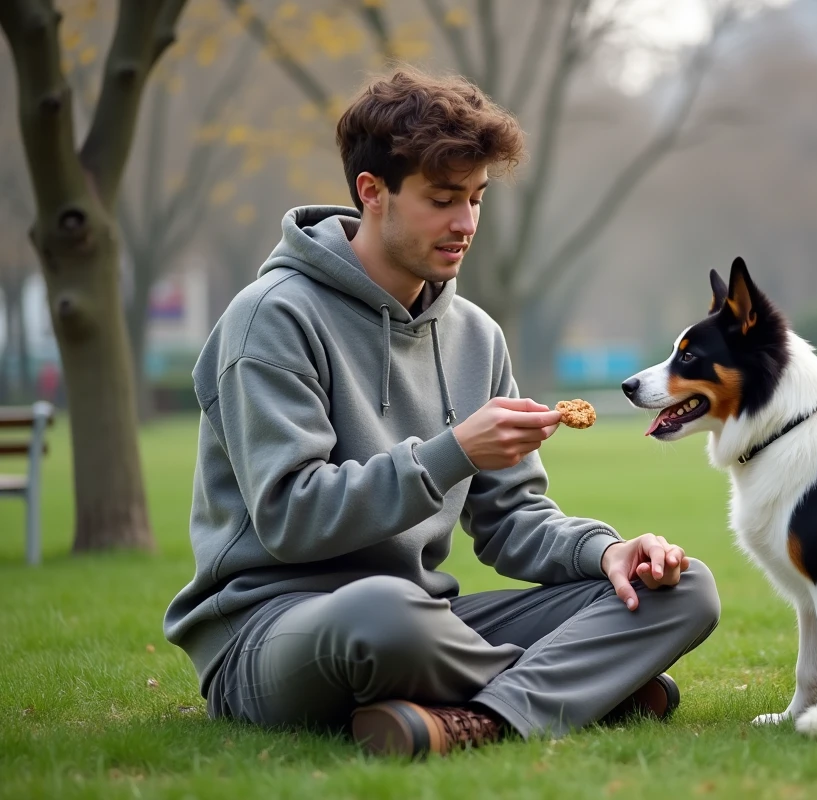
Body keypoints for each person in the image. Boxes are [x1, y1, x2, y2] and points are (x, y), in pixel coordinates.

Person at [163, 66, 721, 758]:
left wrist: (606, 553)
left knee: (683, 590)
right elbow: (291, 518)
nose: (466, 223)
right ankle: (580, 689)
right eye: (442, 199)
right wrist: (451, 454)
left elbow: (512, 520)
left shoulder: (476, 336)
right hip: (273, 631)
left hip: (427, 621)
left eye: (477, 198)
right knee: (384, 615)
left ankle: (484, 717)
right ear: (372, 192)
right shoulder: (271, 319)